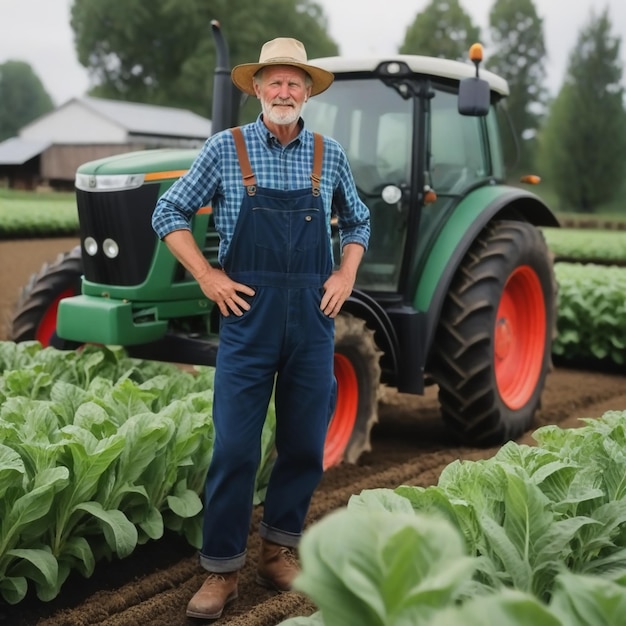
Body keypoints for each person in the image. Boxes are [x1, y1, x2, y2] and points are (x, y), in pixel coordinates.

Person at [151, 37, 370, 620]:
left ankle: (279, 550)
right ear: (256, 88)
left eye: (295, 83)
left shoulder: (330, 154)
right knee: (236, 449)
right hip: (247, 319)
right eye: (274, 81)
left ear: (307, 92)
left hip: (314, 320)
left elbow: (359, 220)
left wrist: (346, 274)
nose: (284, 91)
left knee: (303, 442)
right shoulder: (226, 149)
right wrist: (207, 276)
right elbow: (167, 212)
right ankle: (220, 572)